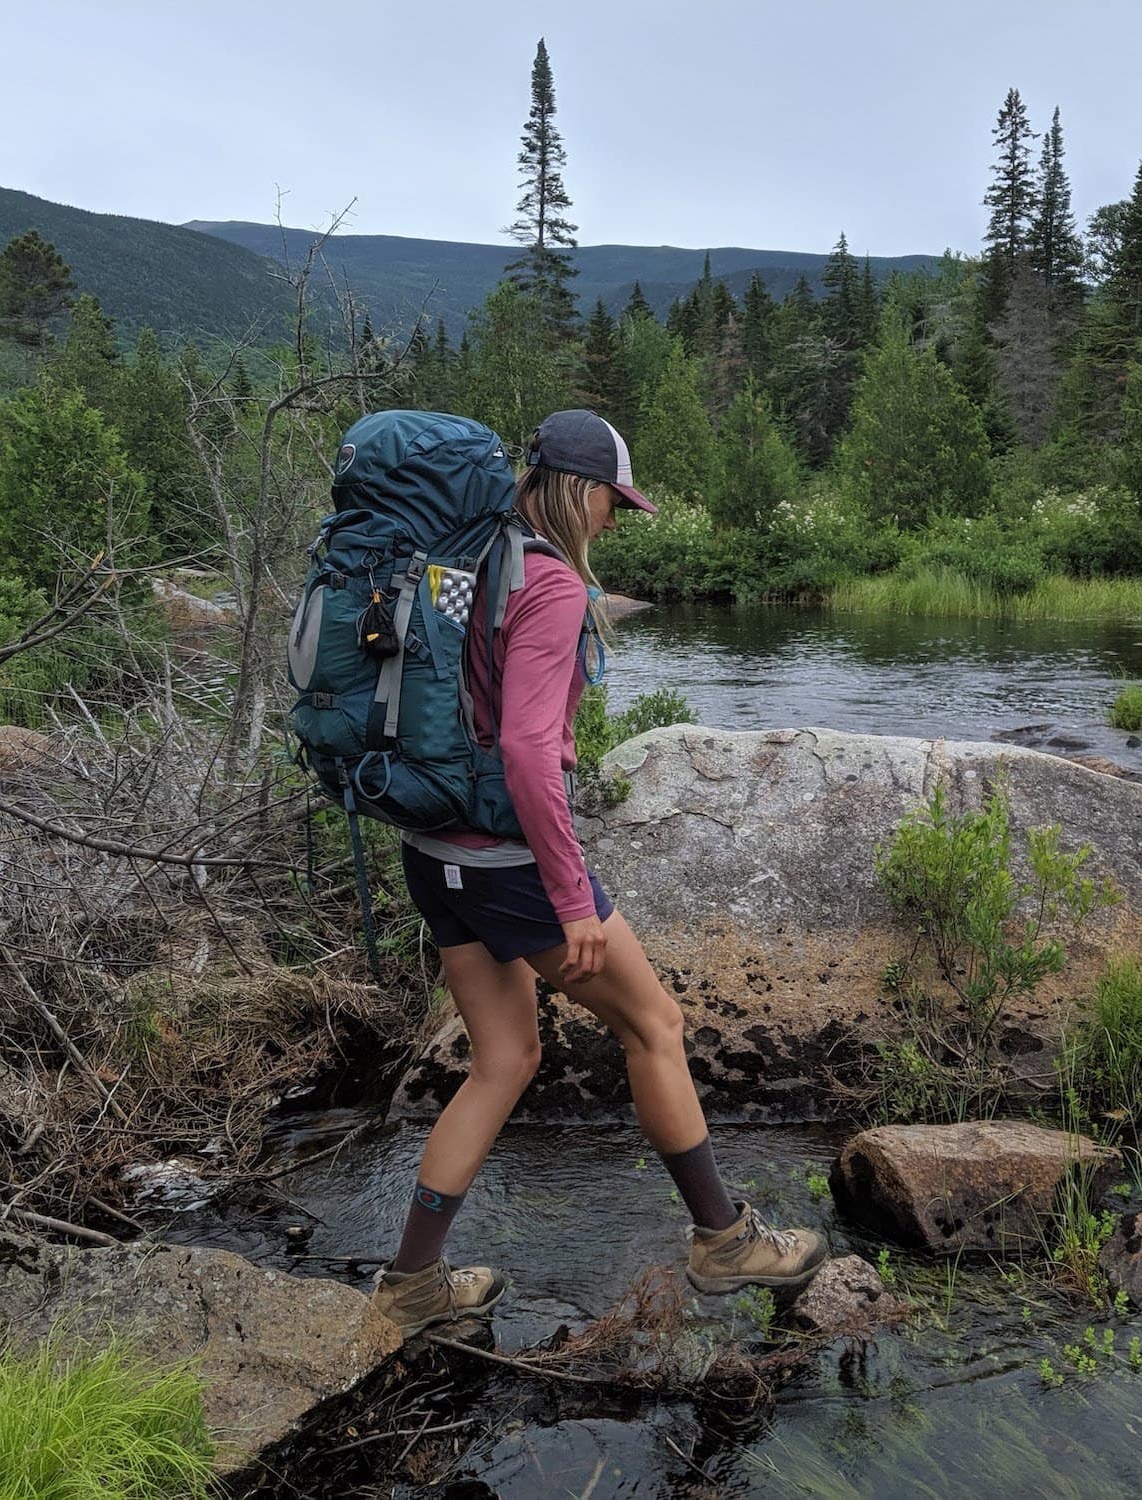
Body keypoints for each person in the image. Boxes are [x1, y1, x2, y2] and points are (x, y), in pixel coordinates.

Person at [370, 409, 827, 1337]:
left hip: (434, 855)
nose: (614, 520)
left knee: (504, 1060)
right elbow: (527, 750)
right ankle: (724, 1241)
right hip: (508, 866)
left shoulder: (463, 568)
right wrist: (572, 897)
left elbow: (469, 707)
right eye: (613, 503)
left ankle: (412, 1282)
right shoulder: (547, 585)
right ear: (579, 494)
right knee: (656, 1025)